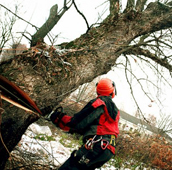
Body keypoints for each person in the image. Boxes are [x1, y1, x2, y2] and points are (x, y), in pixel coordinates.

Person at [49, 78, 120, 170]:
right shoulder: (115, 111)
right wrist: (69, 128)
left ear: (98, 90)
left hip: (97, 146)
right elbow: (90, 127)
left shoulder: (99, 103)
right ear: (112, 91)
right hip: (108, 150)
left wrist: (60, 118)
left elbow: (77, 122)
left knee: (71, 166)